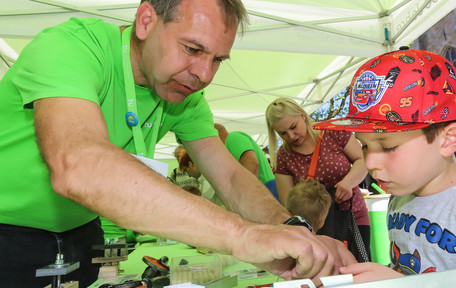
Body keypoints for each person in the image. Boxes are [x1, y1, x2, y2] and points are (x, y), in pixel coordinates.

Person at [0, 0, 354, 287]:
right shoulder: (72, 46)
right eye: (192, 48)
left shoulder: (183, 95)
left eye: (217, 59)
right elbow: (77, 166)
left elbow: (229, 177)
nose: (204, 74)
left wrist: (292, 229)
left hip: (79, 232)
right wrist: (243, 234)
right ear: (145, 21)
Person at [312, 47, 456, 287]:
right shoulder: (399, 199)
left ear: (448, 139)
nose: (369, 162)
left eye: (388, 147)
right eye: (365, 146)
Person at [266, 97, 371, 260]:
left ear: (302, 115)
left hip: (352, 217)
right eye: (283, 133)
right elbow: (288, 203)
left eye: (293, 127)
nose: (291, 136)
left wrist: (348, 183)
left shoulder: (333, 132)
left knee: (359, 265)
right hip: (315, 227)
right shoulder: (283, 156)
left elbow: (363, 160)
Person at [215, 124, 280, 201]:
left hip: (265, 189)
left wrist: (244, 197)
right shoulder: (228, 147)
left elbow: (252, 165)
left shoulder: (233, 138)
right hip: (264, 189)